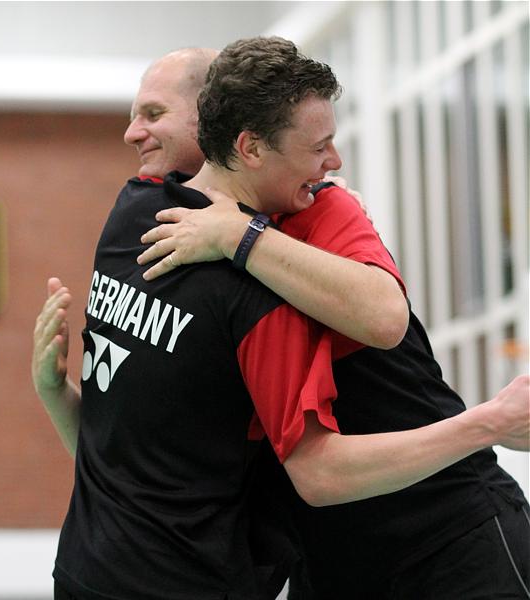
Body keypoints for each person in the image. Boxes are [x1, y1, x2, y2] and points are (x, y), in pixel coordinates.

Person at [32, 40, 530, 600]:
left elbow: (385, 320)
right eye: (320, 145)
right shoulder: (144, 217)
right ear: (246, 144)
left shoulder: (317, 207)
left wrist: (238, 236)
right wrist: (55, 391)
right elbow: (140, 458)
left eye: (153, 113)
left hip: (443, 531)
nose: (133, 134)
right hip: (319, 551)